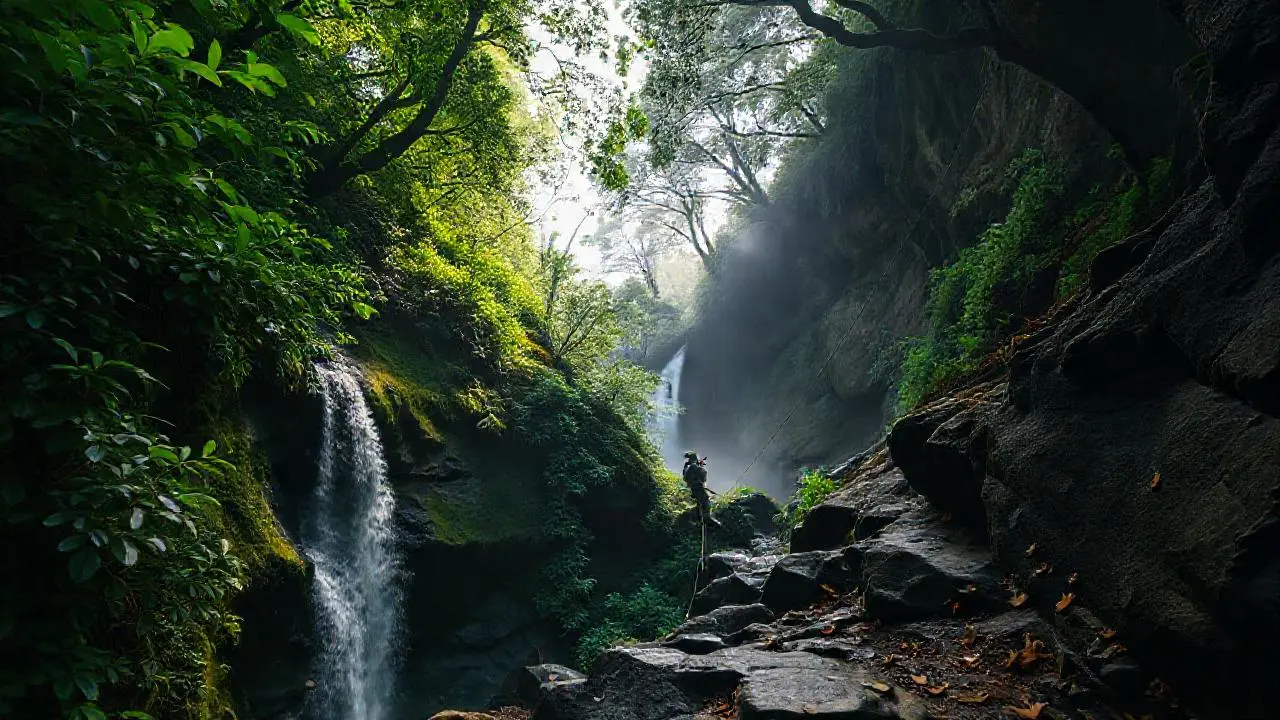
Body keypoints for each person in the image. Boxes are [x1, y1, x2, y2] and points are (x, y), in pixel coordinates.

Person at [682, 451, 721, 528]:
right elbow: (703, 477)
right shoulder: (694, 466)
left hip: (695, 488)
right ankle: (707, 519)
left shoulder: (690, 467)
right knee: (705, 500)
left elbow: (686, 478)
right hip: (697, 488)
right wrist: (701, 467)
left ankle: (702, 519)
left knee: (701, 502)